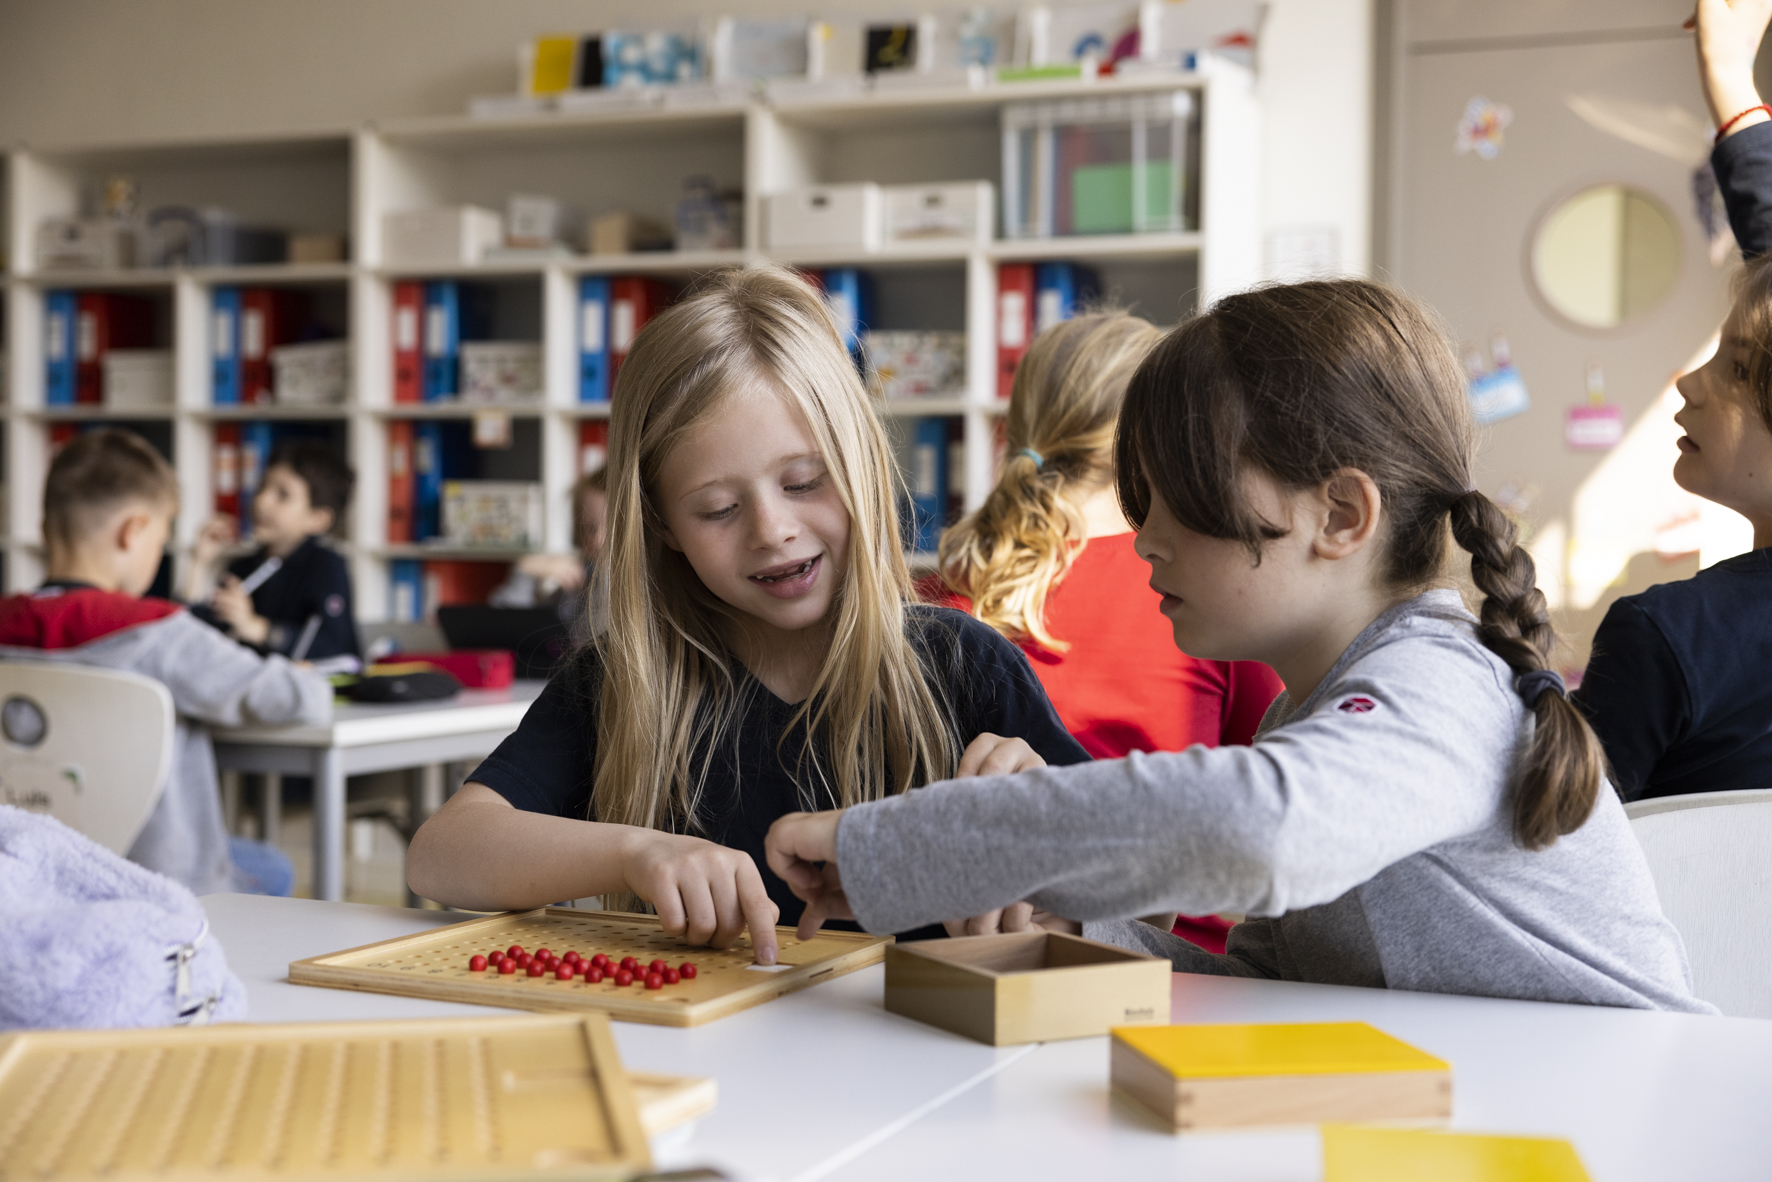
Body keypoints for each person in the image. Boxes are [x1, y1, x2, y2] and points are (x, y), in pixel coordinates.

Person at [765, 279, 1710, 1013]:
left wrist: (920, 849)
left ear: (1339, 515)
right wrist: (1080, 922)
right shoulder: (1313, 706)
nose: (1146, 538)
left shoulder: (1439, 678)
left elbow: (1259, 830)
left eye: (1183, 498)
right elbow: (1265, 979)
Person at [406, 267, 1088, 963]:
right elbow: (440, 857)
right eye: (718, 510)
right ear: (663, 524)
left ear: (860, 466)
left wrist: (1049, 847)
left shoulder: (964, 667)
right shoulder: (623, 683)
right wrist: (635, 852)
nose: (772, 529)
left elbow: (1133, 901)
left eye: (803, 482)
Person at [920, 312, 1284, 950]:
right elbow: (1275, 787)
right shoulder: (1210, 594)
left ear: (1019, 425)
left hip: (986, 952)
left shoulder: (954, 594)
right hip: (1180, 966)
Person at [1571, 0, 1772, 800]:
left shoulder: (1667, 638)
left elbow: (1540, 861)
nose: (1688, 380)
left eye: (1731, 365)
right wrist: (1729, 82)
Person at [0, 430, 332, 895]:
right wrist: (306, 678)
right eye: (160, 538)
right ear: (133, 532)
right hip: (155, 880)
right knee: (273, 867)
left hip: (27, 874)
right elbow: (298, 699)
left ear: (44, 529)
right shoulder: (157, 632)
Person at [185, 439, 360, 664]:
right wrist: (199, 563)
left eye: (282, 495)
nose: (261, 502)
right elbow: (191, 637)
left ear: (318, 519)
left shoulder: (327, 566)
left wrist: (257, 628)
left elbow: (337, 647)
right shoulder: (242, 567)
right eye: (262, 487)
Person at [490, 467, 609, 641]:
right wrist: (524, 572)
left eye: (611, 526)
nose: (598, 540)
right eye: (588, 528)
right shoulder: (578, 583)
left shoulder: (634, 585)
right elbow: (499, 625)